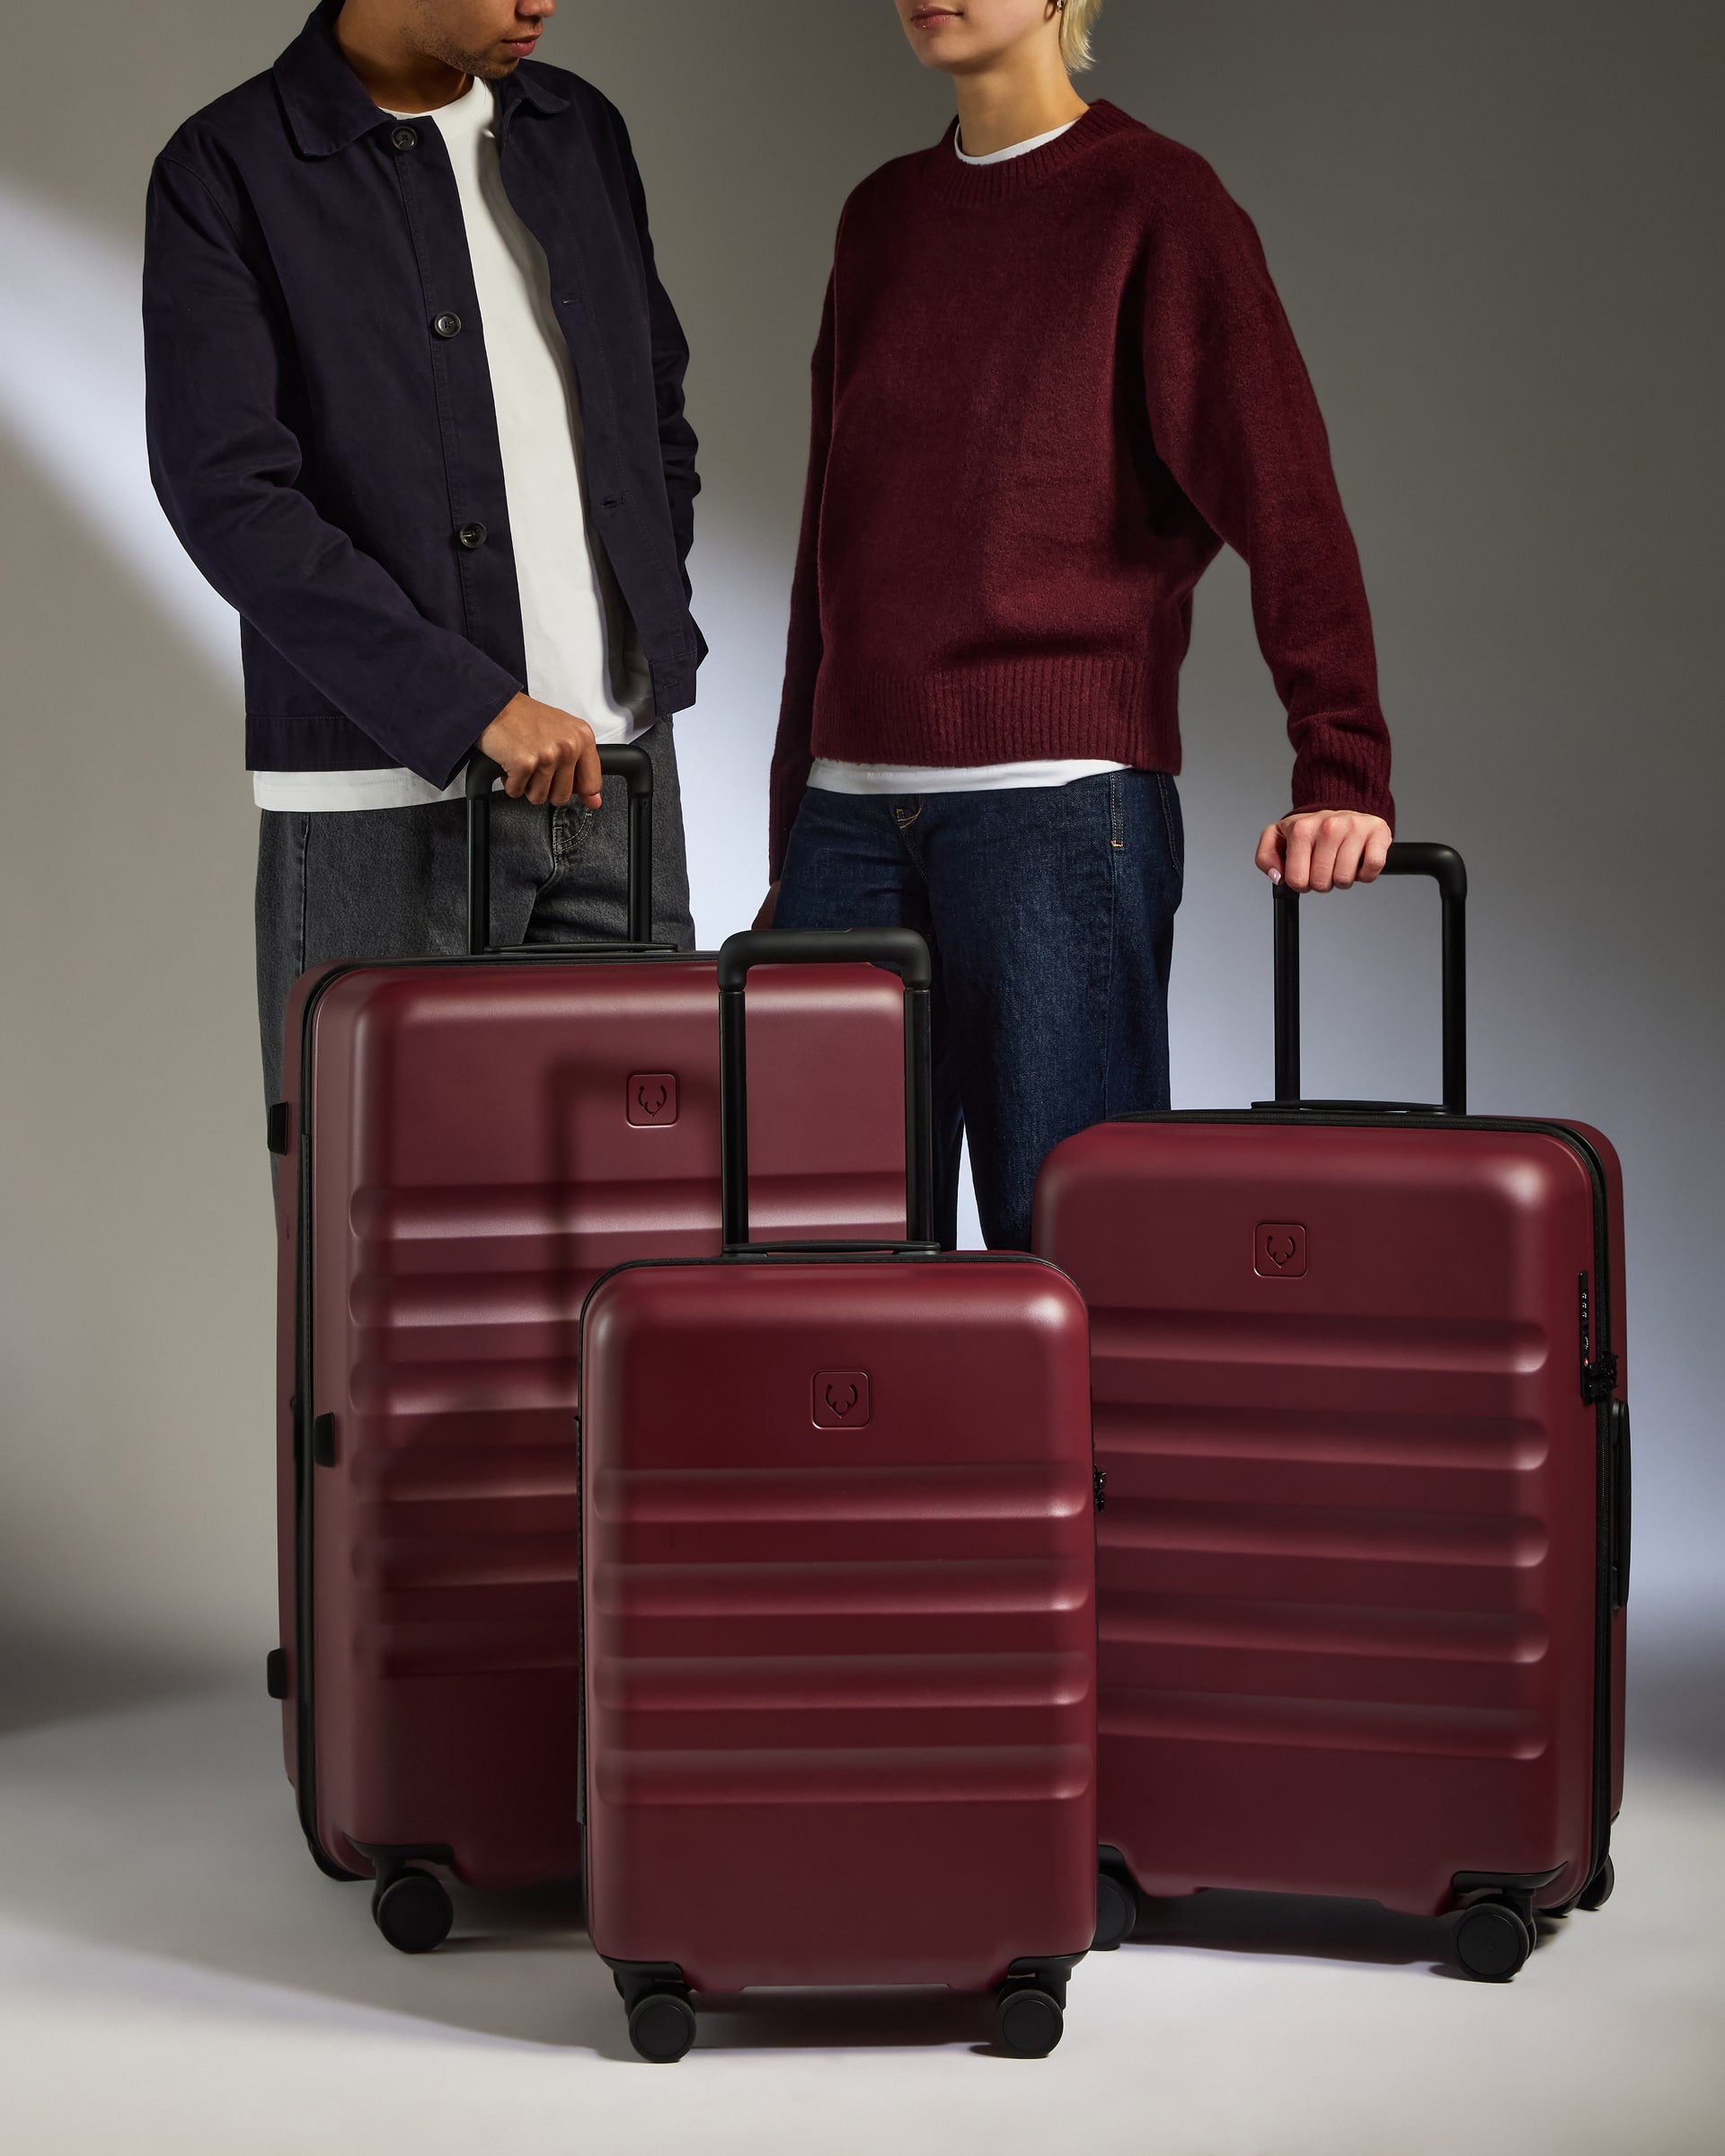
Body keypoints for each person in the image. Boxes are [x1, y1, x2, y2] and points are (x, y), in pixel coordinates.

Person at [761, 0, 1395, 1251]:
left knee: (1068, 1267)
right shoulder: (876, 219)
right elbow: (826, 550)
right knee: (810, 1281)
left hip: (1055, 814)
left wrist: (1342, 760)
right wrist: (794, 820)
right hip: (849, 820)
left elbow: (1286, 491)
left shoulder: (1156, 204)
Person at [144, 0, 703, 1110]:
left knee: (640, 1220)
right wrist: (471, 704)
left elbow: (655, 412)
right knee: (380, 1239)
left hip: (620, 782)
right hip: (383, 806)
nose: (540, 1)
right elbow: (229, 495)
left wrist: (643, 619)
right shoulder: (231, 166)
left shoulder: (578, 128)